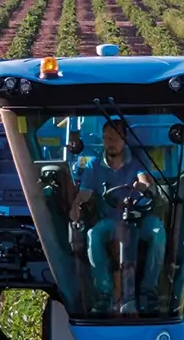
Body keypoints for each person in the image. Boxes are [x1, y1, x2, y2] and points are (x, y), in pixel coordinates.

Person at [70, 118, 167, 313]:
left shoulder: (138, 160)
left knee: (158, 231)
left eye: (114, 138)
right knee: (93, 235)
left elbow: (146, 182)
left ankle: (148, 292)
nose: (110, 143)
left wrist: (142, 186)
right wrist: (76, 205)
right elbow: (85, 193)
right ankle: (104, 294)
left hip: (138, 219)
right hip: (112, 221)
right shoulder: (94, 165)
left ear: (124, 139)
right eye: (106, 138)